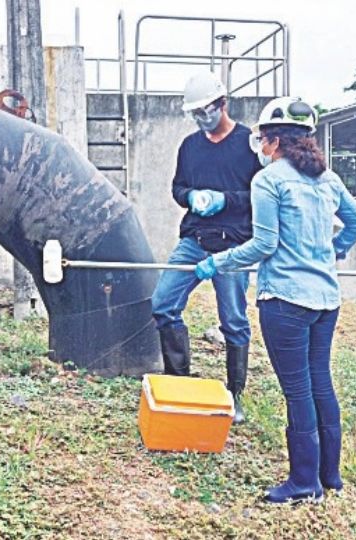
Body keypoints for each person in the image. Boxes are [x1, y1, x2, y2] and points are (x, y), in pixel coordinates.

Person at [195, 96, 356, 504]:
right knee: (320, 383)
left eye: (260, 138)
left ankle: (304, 482)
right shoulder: (327, 179)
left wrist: (216, 263)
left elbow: (263, 245)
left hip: (286, 301)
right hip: (326, 299)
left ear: (273, 140)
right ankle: (330, 477)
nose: (258, 146)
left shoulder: (269, 180)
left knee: (298, 391)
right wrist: (332, 249)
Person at [151, 72, 263, 424]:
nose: (202, 119)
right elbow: (178, 187)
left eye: (206, 111)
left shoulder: (249, 145)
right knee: (163, 304)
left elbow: (260, 196)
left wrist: (224, 200)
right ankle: (180, 382)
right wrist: (191, 197)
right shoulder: (190, 146)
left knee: (233, 319)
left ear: (223, 104)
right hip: (194, 240)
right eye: (195, 114)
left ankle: (236, 394)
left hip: (233, 246)